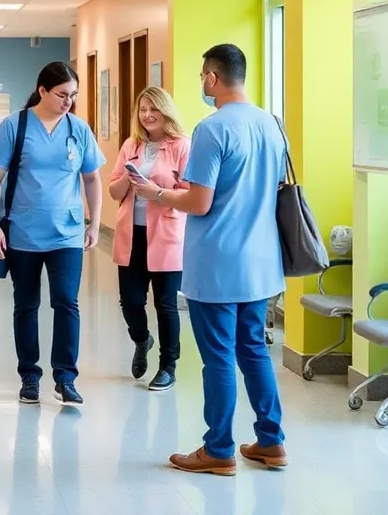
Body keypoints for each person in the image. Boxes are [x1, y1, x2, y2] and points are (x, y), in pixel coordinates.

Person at [128, 43, 287, 475]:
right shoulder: (273, 125)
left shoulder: (212, 129)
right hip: (260, 261)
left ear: (213, 78)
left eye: (202, 77)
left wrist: (157, 193)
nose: (202, 83)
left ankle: (218, 449)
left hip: (218, 263)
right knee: (253, 350)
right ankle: (272, 441)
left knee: (218, 356)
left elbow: (199, 202)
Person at [0, 61, 105, 406]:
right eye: (62, 94)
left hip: (66, 233)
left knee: (67, 302)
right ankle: (29, 376)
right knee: (26, 304)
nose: (69, 101)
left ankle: (66, 376)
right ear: (42, 91)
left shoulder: (78, 129)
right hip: (22, 233)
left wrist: (93, 223)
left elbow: (92, 178)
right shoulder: (15, 126)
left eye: (74, 96)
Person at [107, 86, 190, 392]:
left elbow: (190, 193)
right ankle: (142, 340)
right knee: (130, 302)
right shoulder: (132, 145)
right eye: (142, 110)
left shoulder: (182, 146)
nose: (147, 115)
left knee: (165, 304)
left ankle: (168, 366)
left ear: (166, 111)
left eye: (153, 109)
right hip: (132, 234)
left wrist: (156, 191)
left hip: (167, 234)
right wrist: (129, 181)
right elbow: (113, 190)